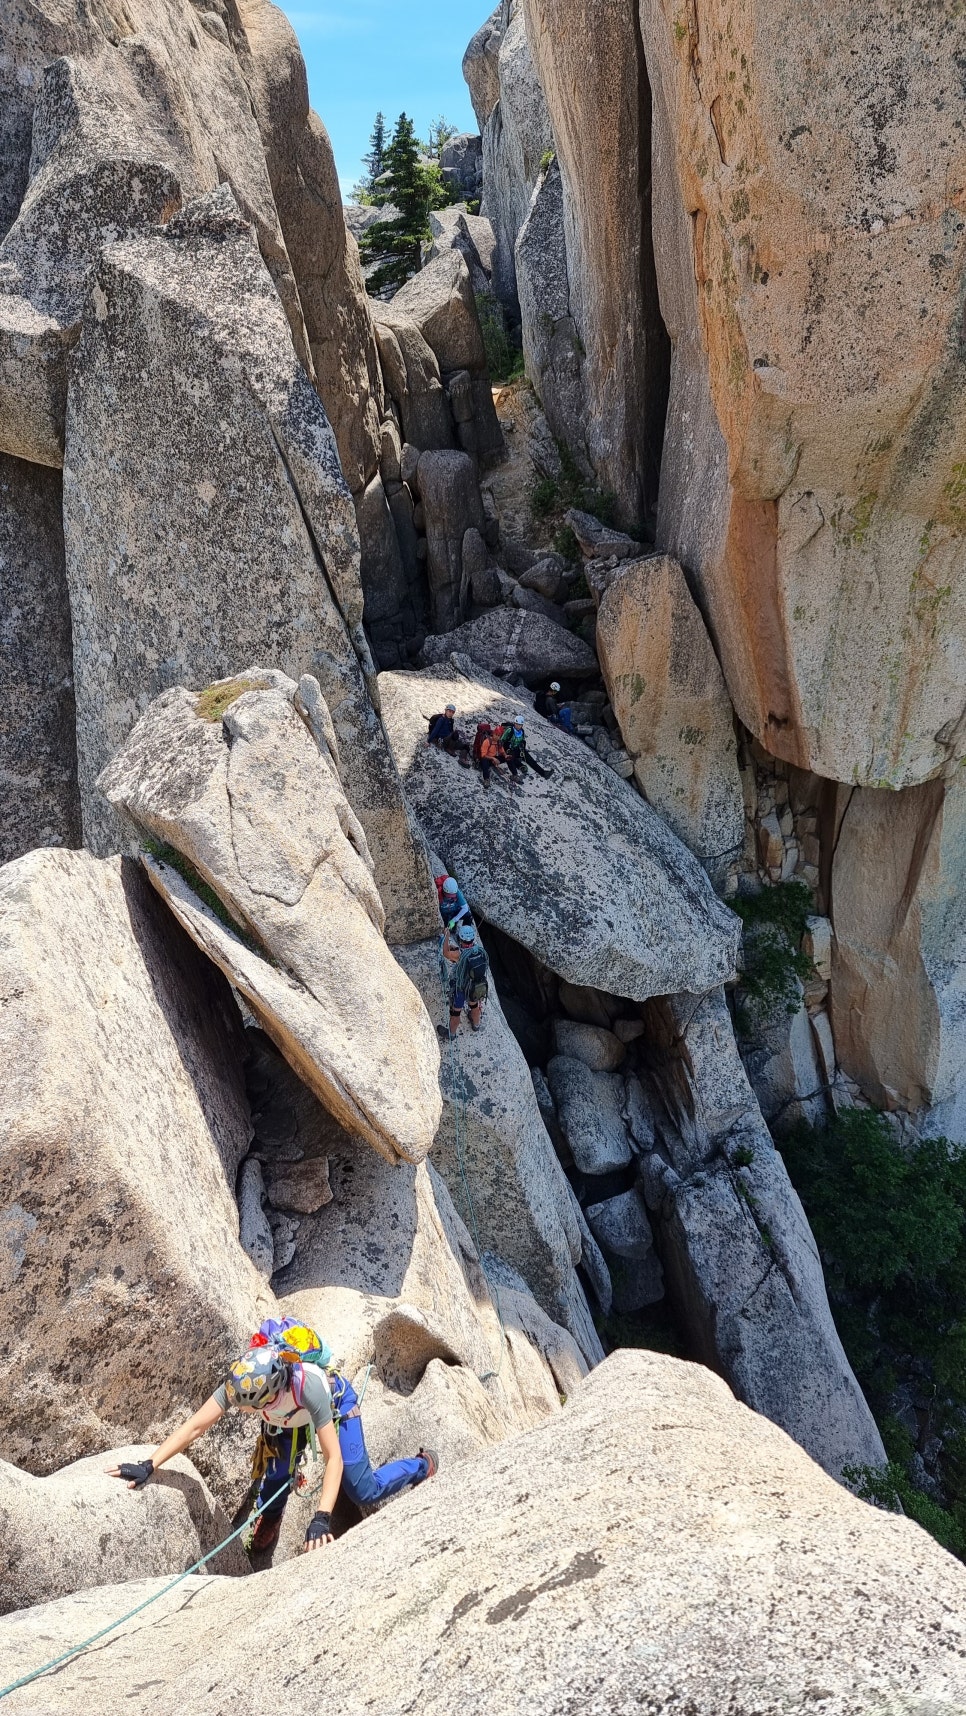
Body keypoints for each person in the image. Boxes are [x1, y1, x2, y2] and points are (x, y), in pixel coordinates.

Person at [108, 1340, 437, 1555]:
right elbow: (196, 1425)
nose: (237, 1407)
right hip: (285, 1421)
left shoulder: (309, 1388)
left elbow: (333, 1456)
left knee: (363, 1489)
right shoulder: (242, 1382)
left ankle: (421, 1466)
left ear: (268, 1397)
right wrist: (149, 1465)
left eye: (245, 1406)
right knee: (277, 1476)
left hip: (334, 1408)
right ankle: (269, 1521)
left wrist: (321, 1517)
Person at [441, 920, 490, 1036]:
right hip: (475, 986)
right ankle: (476, 1025)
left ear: (460, 939)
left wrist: (447, 936)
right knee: (474, 1006)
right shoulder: (480, 951)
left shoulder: (459, 954)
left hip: (461, 988)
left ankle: (451, 1034)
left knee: (455, 1013)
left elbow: (445, 952)